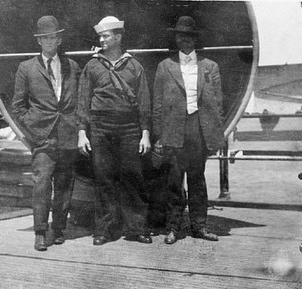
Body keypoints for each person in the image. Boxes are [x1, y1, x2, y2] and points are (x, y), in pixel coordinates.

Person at [76, 16, 152, 246]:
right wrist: (82, 132)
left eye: (106, 36)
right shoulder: (92, 65)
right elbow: (83, 100)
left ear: (118, 37)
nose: (101, 39)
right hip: (100, 128)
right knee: (104, 179)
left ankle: (136, 228)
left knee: (132, 178)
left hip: (129, 128)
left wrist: (145, 133)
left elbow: (144, 101)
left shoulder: (134, 66)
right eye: (100, 36)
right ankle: (104, 230)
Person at [152, 16, 224, 244]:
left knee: (197, 180)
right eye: (181, 36)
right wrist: (159, 136)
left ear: (195, 39)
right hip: (174, 131)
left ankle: (199, 226)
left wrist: (214, 133)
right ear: (176, 38)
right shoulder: (166, 66)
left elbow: (218, 104)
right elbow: (158, 105)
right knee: (174, 181)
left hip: (198, 130)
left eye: (189, 36)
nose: (185, 40)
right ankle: (173, 227)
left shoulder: (209, 67)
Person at [12, 15, 80, 251]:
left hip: (67, 136)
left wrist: (77, 128)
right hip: (43, 137)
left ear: (59, 39)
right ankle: (40, 232)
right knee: (42, 184)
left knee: (64, 184)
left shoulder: (72, 66)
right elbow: (18, 106)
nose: (50, 41)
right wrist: (33, 127)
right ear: (39, 41)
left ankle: (58, 229)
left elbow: (78, 101)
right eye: (45, 38)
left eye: (54, 37)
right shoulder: (26, 68)